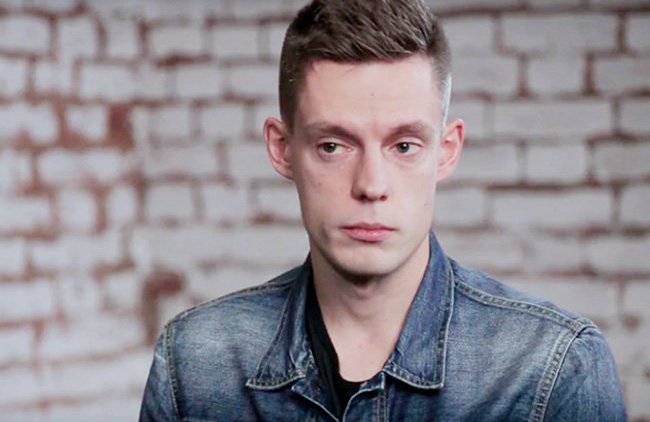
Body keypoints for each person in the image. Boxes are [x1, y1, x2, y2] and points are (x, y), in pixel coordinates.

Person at [140, 0, 627, 420]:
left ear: (447, 152)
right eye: (333, 146)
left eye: (404, 146)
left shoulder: (552, 368)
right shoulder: (196, 363)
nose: (371, 185)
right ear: (282, 149)